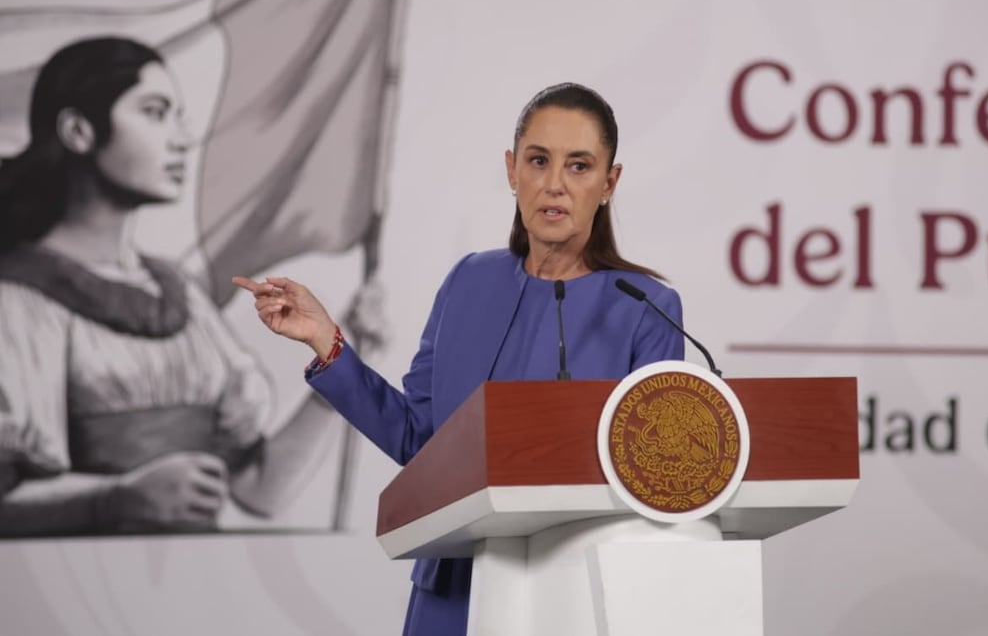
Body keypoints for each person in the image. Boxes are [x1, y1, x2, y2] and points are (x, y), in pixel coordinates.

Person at [233, 82, 686, 636]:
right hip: (452, 593)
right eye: (538, 160)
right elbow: (419, 442)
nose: (554, 185)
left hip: (572, 594)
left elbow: (658, 482)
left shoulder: (647, 307)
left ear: (609, 182)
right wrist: (327, 342)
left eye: (579, 166)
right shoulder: (468, 282)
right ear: (511, 169)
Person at [0, 36, 339, 535]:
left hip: (187, 591)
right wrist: (115, 500)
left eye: (179, 116)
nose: (181, 139)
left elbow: (258, 490)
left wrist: (337, 368)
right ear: (78, 130)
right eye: (155, 113)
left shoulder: (179, 296)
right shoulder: (18, 300)